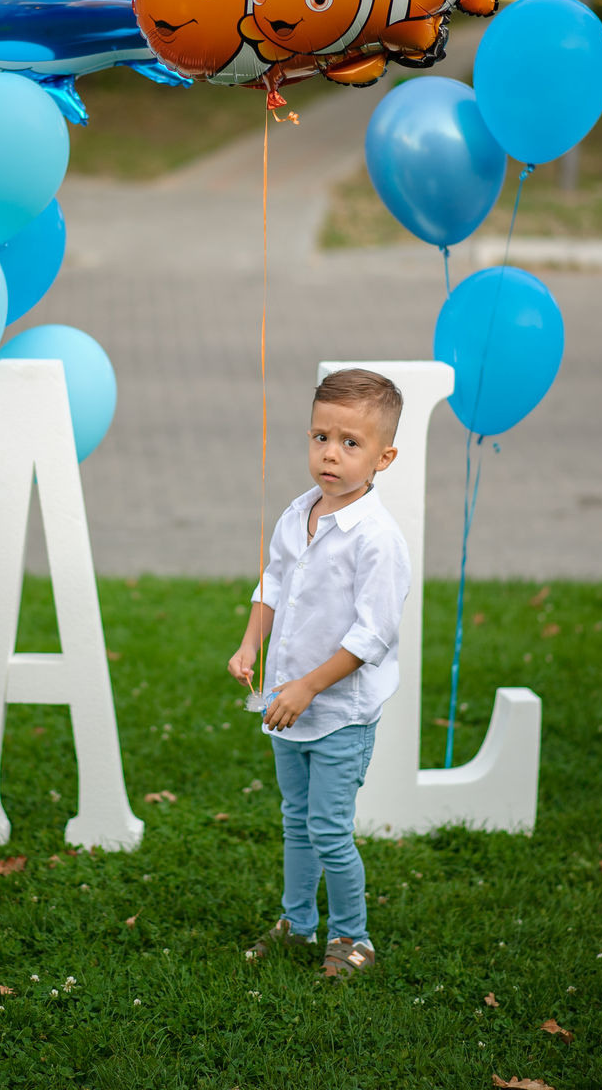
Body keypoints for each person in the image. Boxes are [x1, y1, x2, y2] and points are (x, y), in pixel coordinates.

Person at [228, 367, 410, 979]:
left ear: (383, 457)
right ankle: (298, 924)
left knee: (329, 829)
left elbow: (372, 635)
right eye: (320, 437)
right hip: (287, 701)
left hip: (337, 713)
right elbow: (273, 580)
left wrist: (307, 686)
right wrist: (251, 644)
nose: (330, 454)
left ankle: (354, 939)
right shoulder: (298, 511)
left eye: (350, 443)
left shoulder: (377, 540)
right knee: (295, 822)